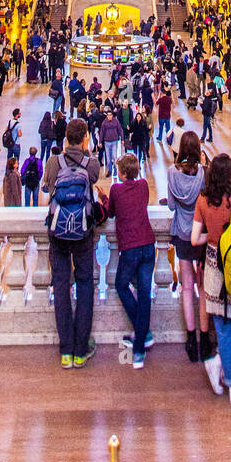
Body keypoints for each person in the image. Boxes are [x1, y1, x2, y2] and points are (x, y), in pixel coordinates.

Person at [191, 153, 231, 408]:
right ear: (229, 175)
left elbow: (194, 239)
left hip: (212, 264)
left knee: (221, 322)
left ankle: (218, 359)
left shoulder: (203, 201)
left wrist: (213, 236)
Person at [42, 118, 101, 368]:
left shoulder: (54, 162)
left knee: (61, 284)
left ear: (65, 137)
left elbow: (47, 186)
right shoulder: (92, 164)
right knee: (86, 284)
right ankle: (81, 348)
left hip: (59, 232)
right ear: (85, 137)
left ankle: (65, 350)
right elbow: (95, 180)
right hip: (83, 231)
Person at [108, 153, 155, 368]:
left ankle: (138, 351)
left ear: (123, 172)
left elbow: (111, 213)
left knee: (121, 284)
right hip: (148, 245)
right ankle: (142, 332)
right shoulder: (144, 185)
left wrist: (104, 199)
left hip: (131, 247)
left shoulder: (116, 189)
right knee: (144, 294)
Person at [167, 131, 210, 362]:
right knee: (202, 288)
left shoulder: (172, 173)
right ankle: (205, 339)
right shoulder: (203, 173)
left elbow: (172, 207)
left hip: (182, 233)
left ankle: (191, 338)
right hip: (201, 233)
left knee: (186, 286)